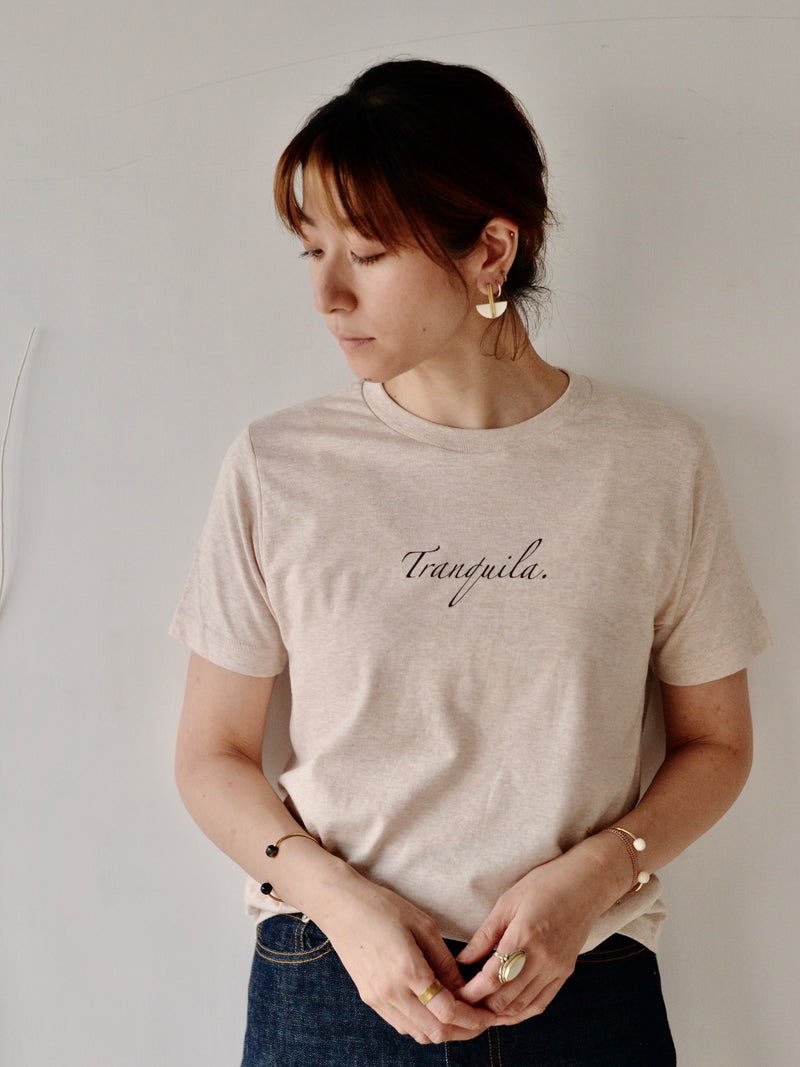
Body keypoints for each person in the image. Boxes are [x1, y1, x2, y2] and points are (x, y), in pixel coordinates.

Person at [170, 58, 770, 1066]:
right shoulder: (279, 467)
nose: (326, 293)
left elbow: (716, 743)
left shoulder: (653, 461)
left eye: (366, 252)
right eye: (312, 248)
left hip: (588, 984)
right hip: (332, 984)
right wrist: (341, 902)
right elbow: (211, 755)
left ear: (492, 249)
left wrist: (590, 879)